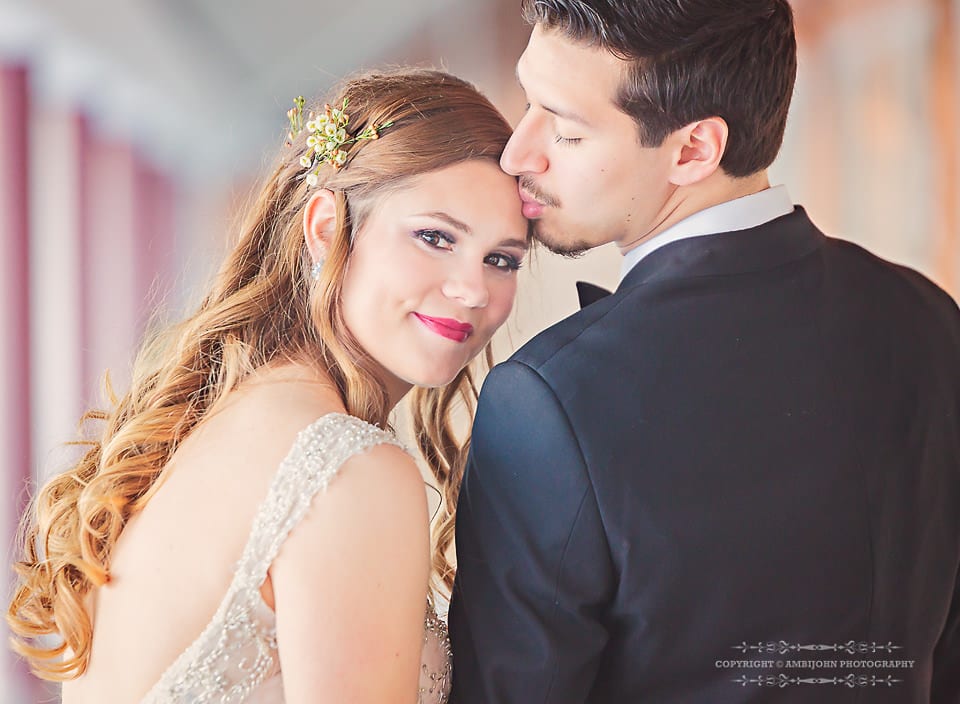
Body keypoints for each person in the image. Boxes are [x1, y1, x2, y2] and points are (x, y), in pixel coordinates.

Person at [449, 1, 960, 702]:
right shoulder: (929, 319)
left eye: (564, 131)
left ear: (694, 149)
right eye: (528, 101)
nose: (518, 152)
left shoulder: (547, 399)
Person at [7, 68, 528, 704]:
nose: (473, 289)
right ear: (327, 228)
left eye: (501, 259)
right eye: (435, 237)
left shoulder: (205, 423)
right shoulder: (346, 468)